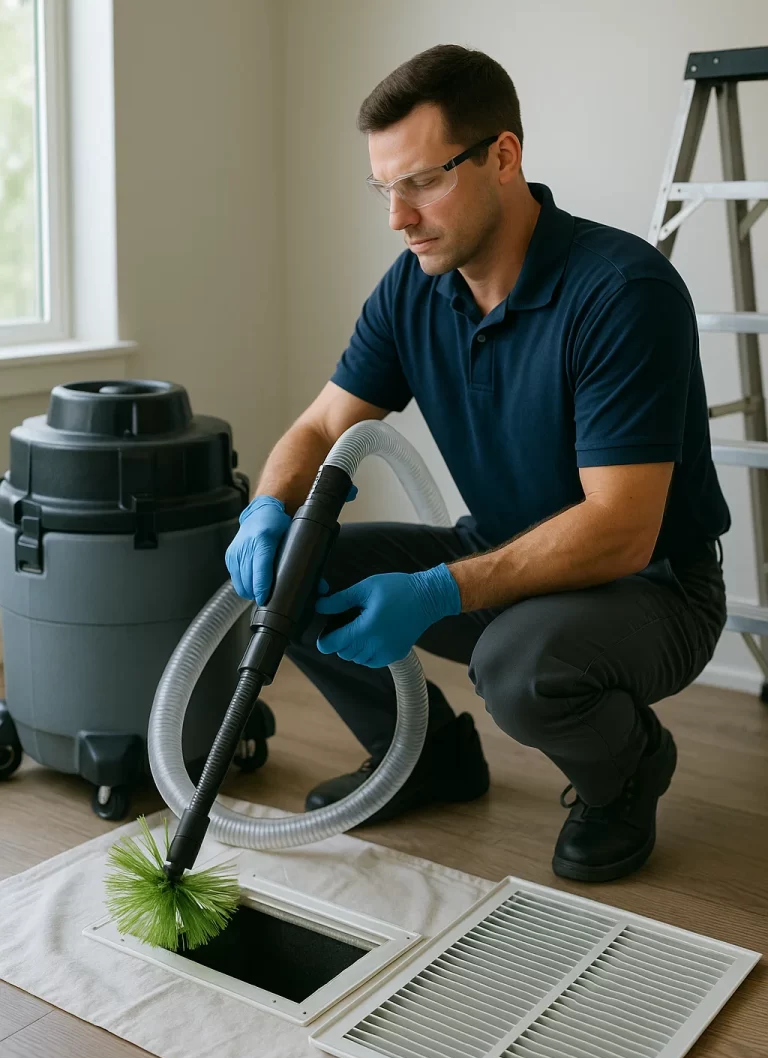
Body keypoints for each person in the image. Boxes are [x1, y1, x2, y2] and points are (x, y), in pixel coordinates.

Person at [226, 44, 729, 883]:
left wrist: (435, 592)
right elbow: (319, 427)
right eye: (384, 188)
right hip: (499, 551)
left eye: (422, 181)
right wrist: (266, 511)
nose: (399, 216)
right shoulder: (414, 287)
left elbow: (623, 530)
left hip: (652, 589)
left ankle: (629, 770)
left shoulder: (620, 293)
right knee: (291, 574)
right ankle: (423, 759)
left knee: (518, 666)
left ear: (504, 156)